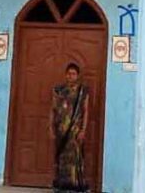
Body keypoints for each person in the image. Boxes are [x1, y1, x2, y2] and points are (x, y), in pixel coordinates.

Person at [49, 62, 90, 192]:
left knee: (75, 158)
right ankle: (62, 185)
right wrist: (50, 128)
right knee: (62, 158)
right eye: (69, 73)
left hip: (75, 130)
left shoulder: (82, 92)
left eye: (73, 74)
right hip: (61, 130)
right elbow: (53, 109)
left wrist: (83, 130)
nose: (71, 76)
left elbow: (86, 111)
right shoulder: (58, 90)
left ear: (77, 75)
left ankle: (76, 185)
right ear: (65, 75)